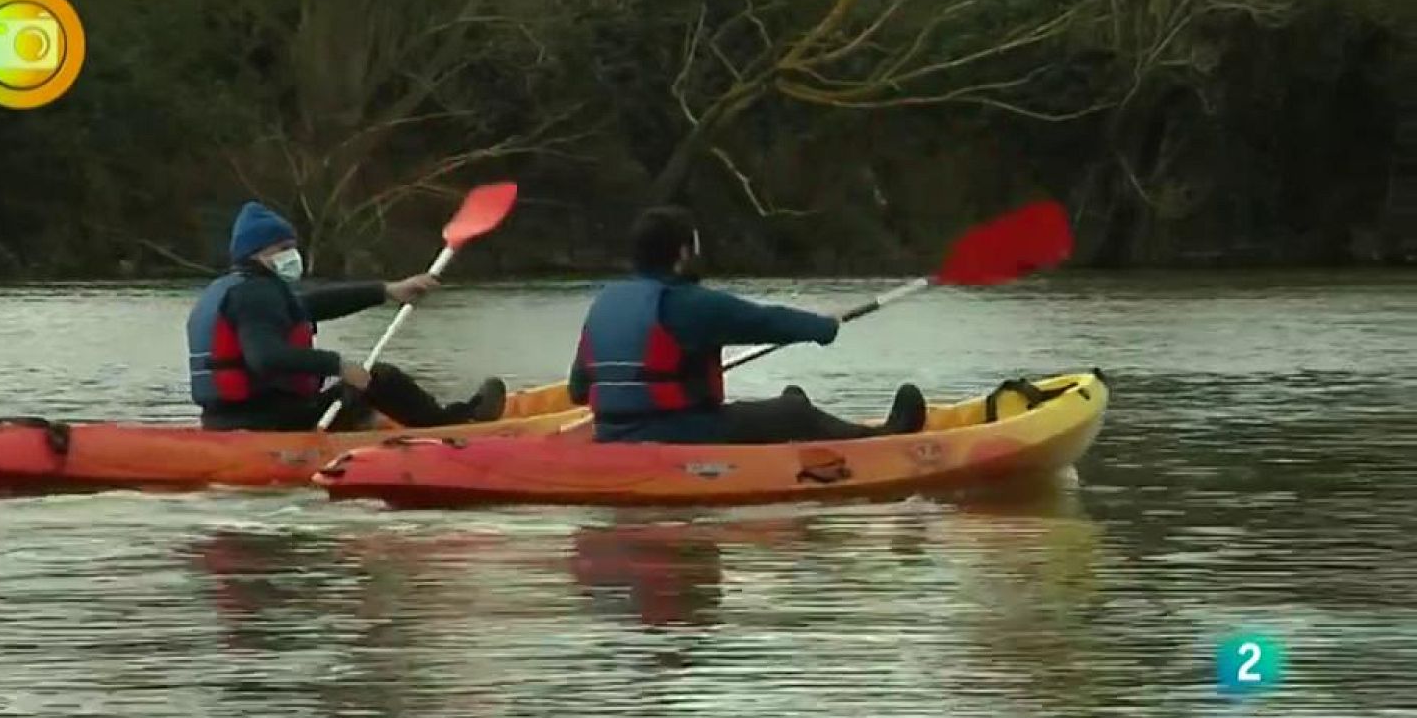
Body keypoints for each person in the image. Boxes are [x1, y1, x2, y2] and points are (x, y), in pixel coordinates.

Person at [567, 205, 927, 444]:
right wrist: (821, 327)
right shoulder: (689, 304)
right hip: (678, 434)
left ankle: (801, 409)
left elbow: (578, 391)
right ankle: (887, 439)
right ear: (681, 255)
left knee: (787, 400)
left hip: (612, 433)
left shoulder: (605, 303)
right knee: (793, 412)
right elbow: (766, 321)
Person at [186, 201, 506, 432]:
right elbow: (265, 357)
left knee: (363, 390)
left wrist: (387, 291)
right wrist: (337, 365)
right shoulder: (257, 293)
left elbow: (312, 306)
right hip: (270, 421)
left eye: (292, 246)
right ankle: (457, 427)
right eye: (282, 248)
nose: (291, 255)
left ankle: (378, 427)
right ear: (257, 254)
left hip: (223, 421)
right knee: (379, 377)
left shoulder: (235, 290)